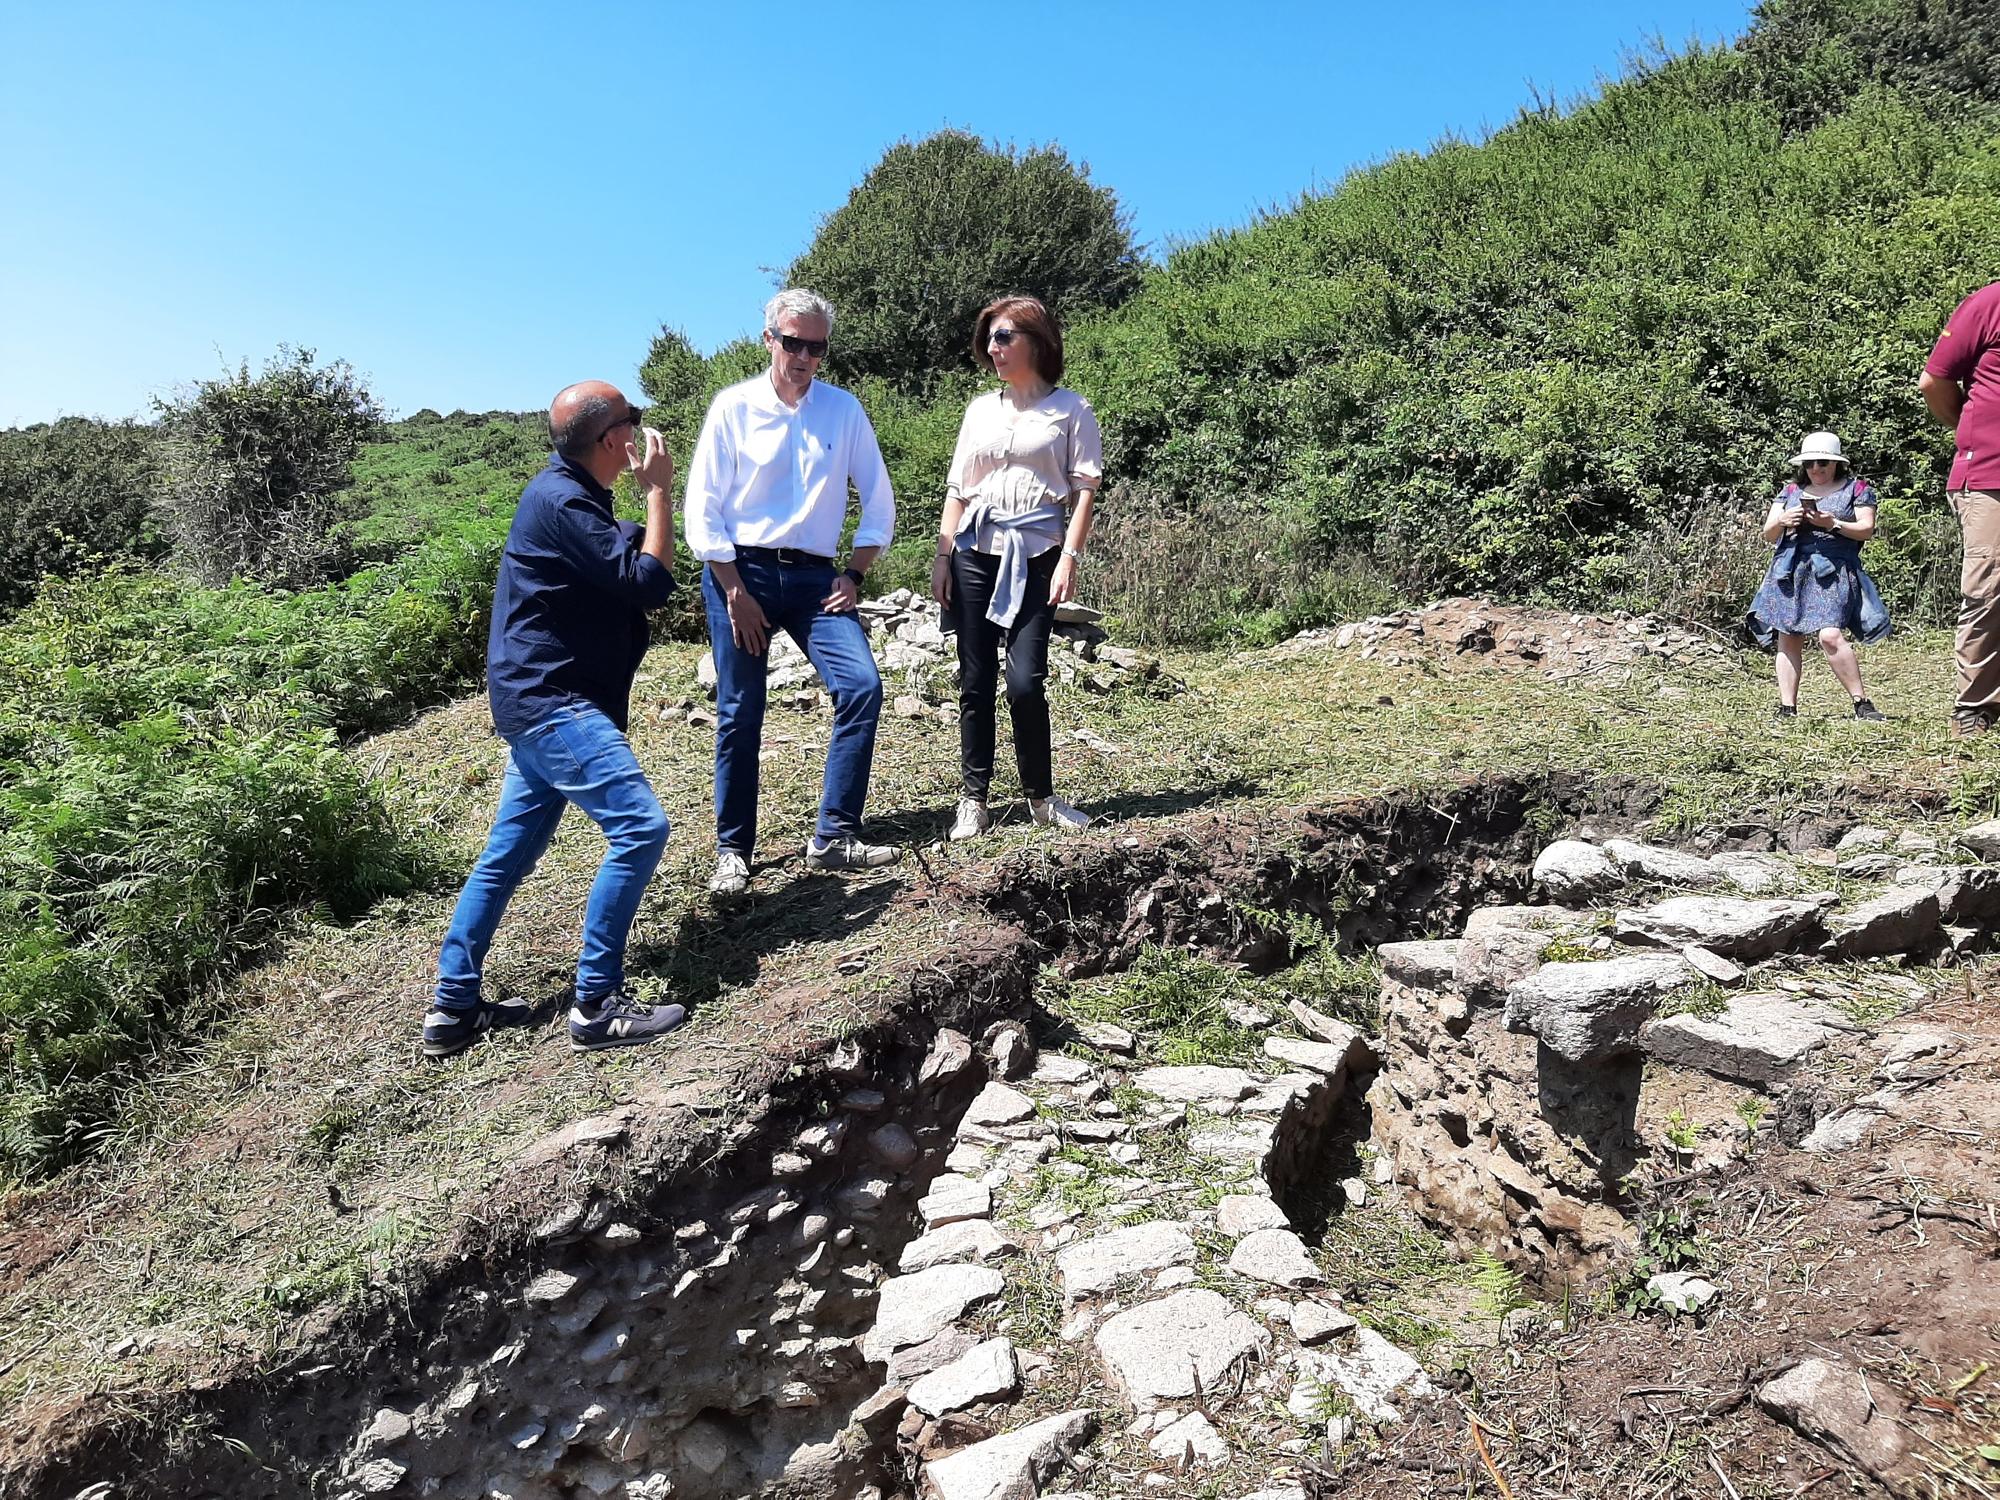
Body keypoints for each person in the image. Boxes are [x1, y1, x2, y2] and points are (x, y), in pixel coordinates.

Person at [423, 382, 688, 1059]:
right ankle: (597, 1005)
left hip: (535, 700)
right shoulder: (564, 499)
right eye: (635, 421)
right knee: (640, 827)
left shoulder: (568, 495)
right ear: (613, 442)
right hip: (554, 704)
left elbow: (622, 553)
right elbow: (648, 582)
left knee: (506, 855)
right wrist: (658, 490)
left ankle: (453, 1010)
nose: (642, 430)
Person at [684, 289, 898, 896]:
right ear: (769, 340)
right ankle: (733, 850)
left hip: (814, 578)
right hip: (741, 573)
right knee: (740, 709)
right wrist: (732, 590)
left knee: (861, 685)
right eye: (793, 342)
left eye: (817, 346)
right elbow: (702, 507)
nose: (804, 356)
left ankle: (834, 836)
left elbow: (878, 500)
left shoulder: (843, 411)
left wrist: (854, 575)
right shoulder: (733, 407)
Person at [932, 295, 1103, 840]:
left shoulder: (1071, 410)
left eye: (1004, 336)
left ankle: (1042, 799)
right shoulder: (981, 409)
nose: (993, 347)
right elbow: (960, 486)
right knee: (975, 678)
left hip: (1037, 553)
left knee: (1026, 680)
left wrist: (1069, 559)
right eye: (989, 338)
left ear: (1036, 339)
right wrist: (942, 556)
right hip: (974, 550)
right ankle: (973, 800)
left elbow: (1083, 493)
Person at [1746, 430, 1890, 722]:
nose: (1815, 469)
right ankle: (1787, 707)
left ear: (1836, 463)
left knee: (1830, 634)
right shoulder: (1790, 491)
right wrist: (1784, 521)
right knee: (1788, 637)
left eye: (1822, 463)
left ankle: (1861, 702)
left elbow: (1866, 529)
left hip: (1834, 572)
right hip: (1790, 571)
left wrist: (1832, 523)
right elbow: (1768, 533)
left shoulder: (1857, 489)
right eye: (1810, 463)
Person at [1920, 280, 2000, 735]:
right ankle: (1974, 710)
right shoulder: (1989, 303)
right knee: (1990, 590)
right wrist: (1966, 428)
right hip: (1990, 473)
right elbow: (1934, 381)